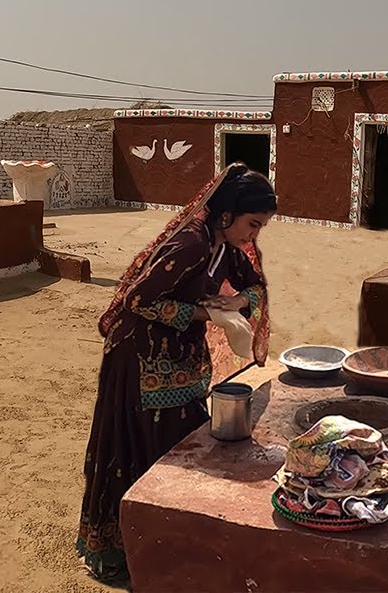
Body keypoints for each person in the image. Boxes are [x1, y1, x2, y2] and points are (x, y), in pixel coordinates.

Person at [76, 162, 277, 581]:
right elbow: (136, 300)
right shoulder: (191, 243)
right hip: (140, 360)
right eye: (252, 224)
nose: (253, 236)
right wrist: (206, 313)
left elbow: (255, 286)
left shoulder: (226, 248)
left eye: (260, 228)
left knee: (180, 447)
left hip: (181, 363)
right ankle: (121, 550)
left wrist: (236, 303)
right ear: (228, 214)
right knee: (140, 451)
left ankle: (169, 548)